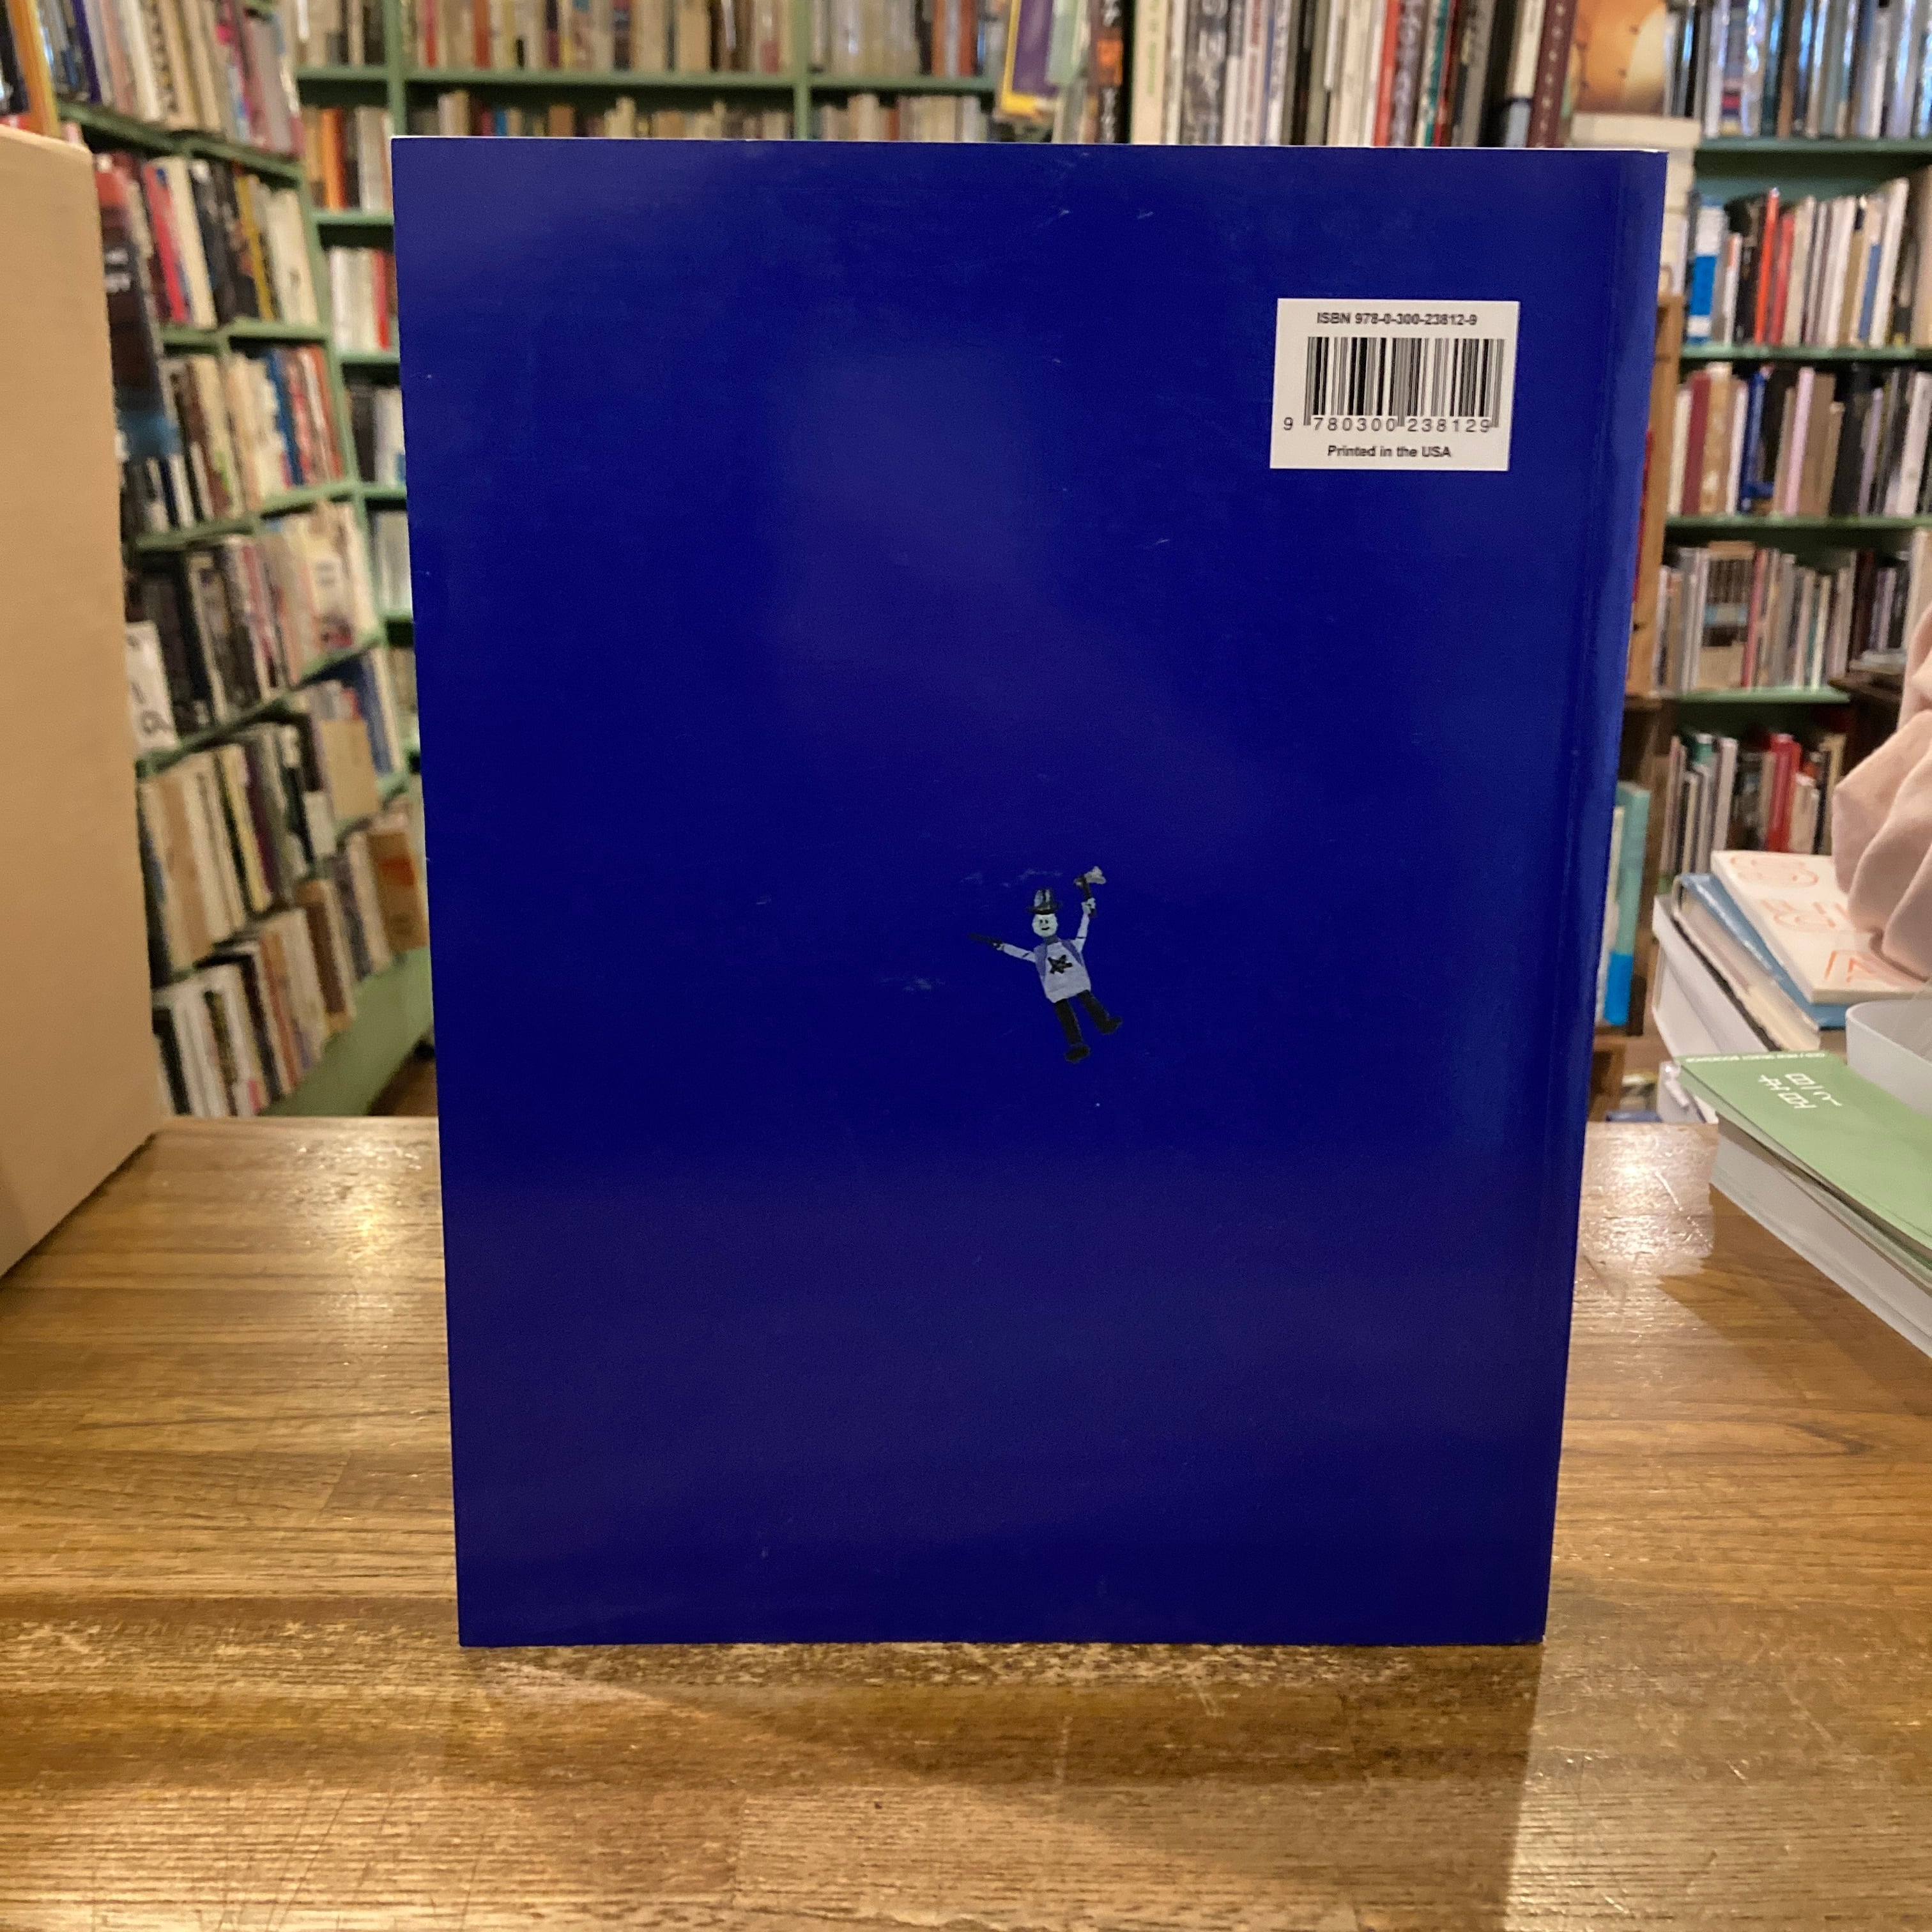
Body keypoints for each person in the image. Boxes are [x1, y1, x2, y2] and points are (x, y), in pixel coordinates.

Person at [972, 868, 1122, 1063]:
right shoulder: (1046, 951)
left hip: (1062, 985)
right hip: (1061, 987)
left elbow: (1081, 933)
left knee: (1075, 1006)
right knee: (1069, 1010)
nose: (1044, 923)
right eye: (1041, 920)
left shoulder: (1063, 948)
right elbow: (1025, 954)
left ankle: (1094, 1030)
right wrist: (1003, 947)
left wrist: (1086, 914)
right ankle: (1082, 1040)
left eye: (1047, 919)